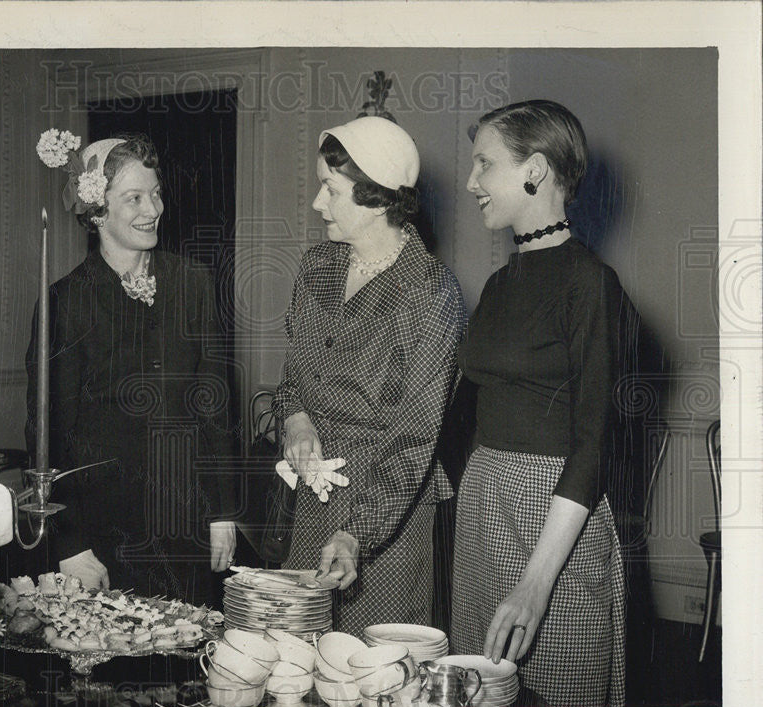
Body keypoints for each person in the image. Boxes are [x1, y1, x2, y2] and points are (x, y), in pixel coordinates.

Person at [451, 99, 627, 707]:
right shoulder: (499, 284)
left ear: (535, 171)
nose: (471, 183)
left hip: (555, 525)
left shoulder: (590, 285)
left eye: (484, 165)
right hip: (483, 514)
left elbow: (594, 443)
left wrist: (534, 582)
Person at [25, 131, 238, 607]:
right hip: (102, 534)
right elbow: (48, 433)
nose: (154, 208)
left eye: (156, 192)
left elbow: (217, 405)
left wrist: (223, 511)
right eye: (135, 198)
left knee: (186, 657)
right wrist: (68, 542)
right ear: (96, 210)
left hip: (186, 523)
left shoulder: (194, 283)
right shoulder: (65, 301)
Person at [273, 115, 466, 637]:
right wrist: (295, 419)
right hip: (313, 498)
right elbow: (293, 374)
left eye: (330, 190)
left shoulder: (431, 293)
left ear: (379, 200)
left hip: (387, 518)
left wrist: (358, 533)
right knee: (300, 657)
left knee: (373, 673)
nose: (317, 203)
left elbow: (415, 438)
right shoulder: (317, 267)